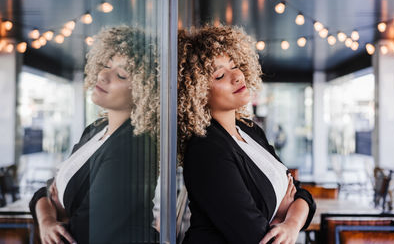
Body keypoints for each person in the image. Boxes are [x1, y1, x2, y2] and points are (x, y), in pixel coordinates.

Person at [177, 25, 316, 244]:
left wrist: (289, 223)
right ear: (197, 91)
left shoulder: (250, 130)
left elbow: (302, 194)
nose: (237, 76)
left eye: (234, 66)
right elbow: (258, 238)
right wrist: (281, 212)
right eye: (220, 75)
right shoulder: (206, 149)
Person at [29, 26, 160, 244]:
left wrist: (55, 207)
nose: (102, 75)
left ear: (144, 90)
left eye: (121, 74)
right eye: (106, 65)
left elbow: (85, 232)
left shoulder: (132, 146)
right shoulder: (96, 130)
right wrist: (48, 220)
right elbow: (44, 190)